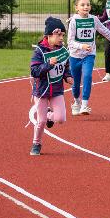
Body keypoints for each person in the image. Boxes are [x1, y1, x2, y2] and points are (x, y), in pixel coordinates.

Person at [67, 0, 110, 116]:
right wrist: (81, 46)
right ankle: (76, 102)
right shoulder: (74, 21)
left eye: (88, 4)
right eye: (82, 5)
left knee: (87, 76)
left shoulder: (93, 20)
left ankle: (84, 105)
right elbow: (70, 42)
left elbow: (106, 32)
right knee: (76, 83)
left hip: (89, 55)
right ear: (76, 7)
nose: (86, 7)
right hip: (75, 56)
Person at [29, 17, 73, 156]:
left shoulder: (62, 50)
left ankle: (50, 115)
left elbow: (65, 65)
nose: (61, 38)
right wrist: (48, 65)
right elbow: (34, 71)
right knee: (40, 121)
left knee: (60, 119)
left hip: (57, 90)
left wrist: (68, 76)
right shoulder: (39, 52)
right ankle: (36, 143)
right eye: (58, 35)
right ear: (48, 36)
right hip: (42, 91)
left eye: (63, 35)